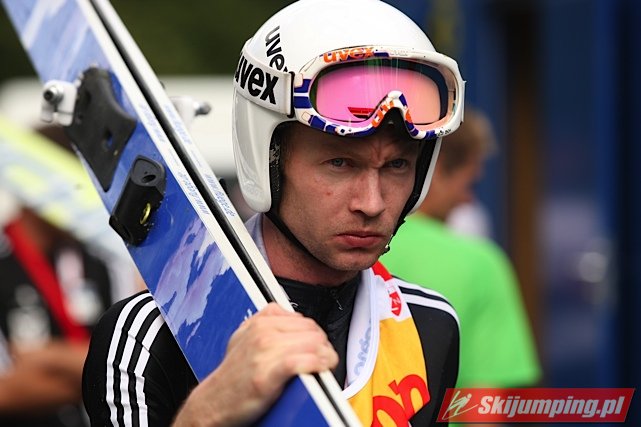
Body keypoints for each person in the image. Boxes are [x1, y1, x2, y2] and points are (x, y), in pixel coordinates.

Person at [82, 0, 464, 425]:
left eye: (397, 165)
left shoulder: (430, 326)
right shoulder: (148, 335)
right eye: (340, 163)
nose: (372, 204)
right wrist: (209, 411)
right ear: (270, 160)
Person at [380, 108, 541, 390]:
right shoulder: (481, 264)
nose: (468, 200)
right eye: (469, 184)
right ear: (435, 168)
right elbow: (482, 403)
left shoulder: (350, 247)